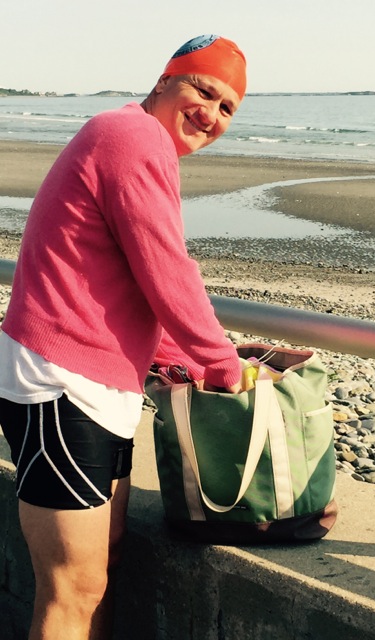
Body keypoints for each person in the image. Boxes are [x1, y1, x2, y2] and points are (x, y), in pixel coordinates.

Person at [0, 34, 246, 639]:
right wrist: (221, 361)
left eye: (227, 108)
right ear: (164, 80)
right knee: (72, 588)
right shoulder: (132, 135)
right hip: (60, 382)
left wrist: (180, 360)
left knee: (102, 565)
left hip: (98, 384)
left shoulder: (136, 139)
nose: (211, 114)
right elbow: (167, 268)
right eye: (203, 90)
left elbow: (128, 278)